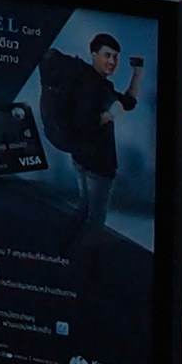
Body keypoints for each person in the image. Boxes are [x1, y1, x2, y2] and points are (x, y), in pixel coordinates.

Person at [38, 25, 142, 237]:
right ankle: (85, 265)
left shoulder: (85, 78)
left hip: (80, 158)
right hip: (99, 166)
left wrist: (136, 75)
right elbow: (87, 122)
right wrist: (110, 115)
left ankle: (61, 249)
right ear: (94, 54)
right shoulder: (96, 88)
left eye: (115, 57)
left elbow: (128, 102)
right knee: (96, 221)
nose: (112, 62)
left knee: (83, 207)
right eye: (107, 55)